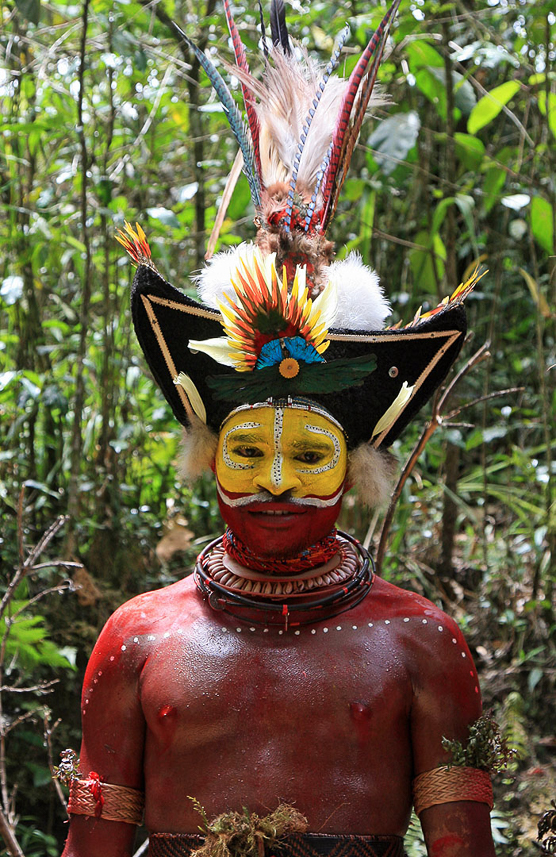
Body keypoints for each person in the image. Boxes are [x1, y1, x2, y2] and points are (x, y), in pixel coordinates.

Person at [61, 4, 496, 856]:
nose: (276, 482)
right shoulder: (138, 637)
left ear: (356, 466)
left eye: (308, 455)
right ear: (209, 451)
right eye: (250, 450)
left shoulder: (419, 639)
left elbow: (462, 844)